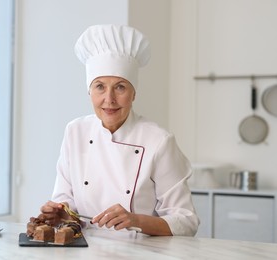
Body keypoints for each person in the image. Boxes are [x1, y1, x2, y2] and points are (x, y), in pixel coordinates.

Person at [40, 24, 199, 236]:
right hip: (83, 249)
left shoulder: (158, 141)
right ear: (89, 92)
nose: (109, 99)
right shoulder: (75, 132)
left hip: (140, 251)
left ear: (134, 93)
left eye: (120, 87)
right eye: (100, 87)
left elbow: (186, 222)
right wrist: (61, 215)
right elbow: (67, 205)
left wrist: (136, 220)